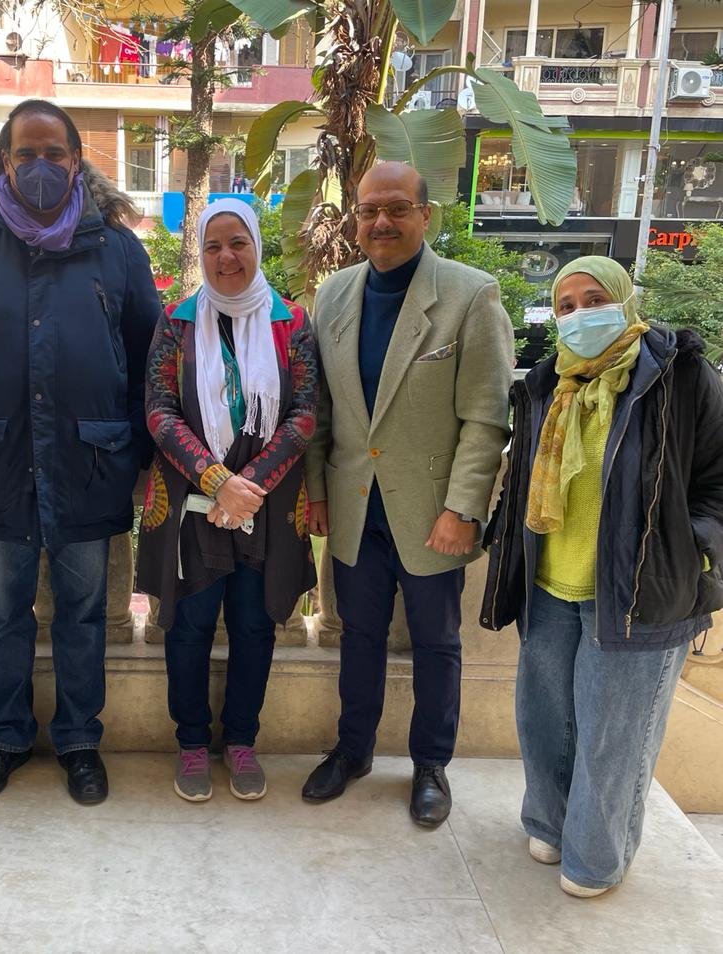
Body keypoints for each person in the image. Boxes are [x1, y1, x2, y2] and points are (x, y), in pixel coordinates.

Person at [0, 99, 162, 806]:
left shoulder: (117, 248)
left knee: (84, 615)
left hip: (91, 465)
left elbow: (150, 358)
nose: (41, 166)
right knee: (2, 615)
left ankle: (80, 741)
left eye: (54, 153)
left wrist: (134, 443)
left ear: (77, 161)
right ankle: (4, 738)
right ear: (4, 161)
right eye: (25, 154)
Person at [480, 256, 723, 897]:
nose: (580, 315)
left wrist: (694, 548)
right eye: (566, 306)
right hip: (549, 583)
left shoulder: (681, 376)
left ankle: (595, 859)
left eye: (594, 300)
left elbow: (716, 480)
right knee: (545, 719)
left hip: (640, 588)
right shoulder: (546, 383)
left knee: (614, 734)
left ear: (624, 299)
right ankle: (549, 823)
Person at [302, 161, 514, 825]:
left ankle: (430, 764)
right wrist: (316, 491)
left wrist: (462, 508)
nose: (381, 222)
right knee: (357, 636)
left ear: (425, 215)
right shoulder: (332, 294)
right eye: (368, 210)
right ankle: (352, 750)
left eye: (396, 208)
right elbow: (320, 409)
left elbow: (486, 419)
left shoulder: (470, 295)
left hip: (432, 514)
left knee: (436, 643)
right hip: (354, 507)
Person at [137, 198, 318, 801]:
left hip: (265, 506)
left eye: (238, 242)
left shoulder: (291, 323)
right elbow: (159, 411)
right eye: (213, 245)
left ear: (257, 246)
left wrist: (250, 486)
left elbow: (305, 413)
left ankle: (241, 740)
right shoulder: (177, 323)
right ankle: (191, 742)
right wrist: (218, 481)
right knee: (188, 627)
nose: (226, 256)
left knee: (254, 624)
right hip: (194, 503)